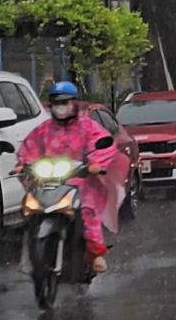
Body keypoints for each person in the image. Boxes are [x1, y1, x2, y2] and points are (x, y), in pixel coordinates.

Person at [15, 81, 116, 272]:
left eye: (65, 102)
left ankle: (96, 254)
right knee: (29, 210)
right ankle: (29, 256)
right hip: (48, 180)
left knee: (87, 210)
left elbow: (101, 145)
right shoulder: (43, 129)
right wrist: (23, 164)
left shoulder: (88, 127)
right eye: (56, 103)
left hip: (81, 180)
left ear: (75, 103)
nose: (61, 107)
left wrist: (95, 164)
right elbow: (30, 148)